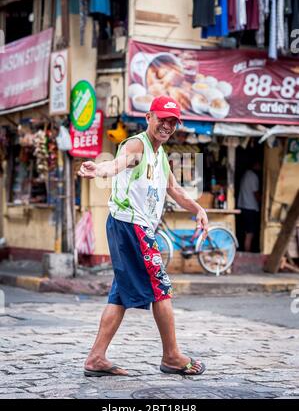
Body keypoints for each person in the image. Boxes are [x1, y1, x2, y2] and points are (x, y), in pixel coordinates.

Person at [78, 96, 208, 377]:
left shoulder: (159, 155)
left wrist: (197, 208)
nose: (167, 125)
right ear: (149, 117)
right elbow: (117, 164)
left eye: (173, 121)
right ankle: (172, 355)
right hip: (131, 225)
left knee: (121, 294)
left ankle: (96, 358)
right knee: (161, 288)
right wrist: (99, 169)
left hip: (130, 227)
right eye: (162, 118)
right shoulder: (137, 145)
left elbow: (175, 190)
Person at [237, 159, 261, 252]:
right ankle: (247, 252)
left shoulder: (245, 175)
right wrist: (261, 201)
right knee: (250, 233)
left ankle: (246, 250)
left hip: (243, 206)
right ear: (255, 164)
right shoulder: (253, 176)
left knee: (246, 231)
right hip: (250, 207)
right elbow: (255, 193)